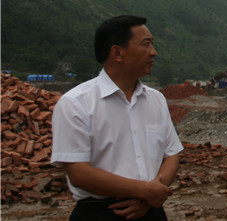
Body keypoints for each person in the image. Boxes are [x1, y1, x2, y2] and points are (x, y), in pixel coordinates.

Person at [51, 15, 183, 221]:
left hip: (151, 210)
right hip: (100, 213)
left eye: (152, 44)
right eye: (146, 44)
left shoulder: (156, 99)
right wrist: (143, 191)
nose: (153, 52)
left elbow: (171, 154)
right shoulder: (76, 103)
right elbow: (79, 173)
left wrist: (151, 194)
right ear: (117, 53)